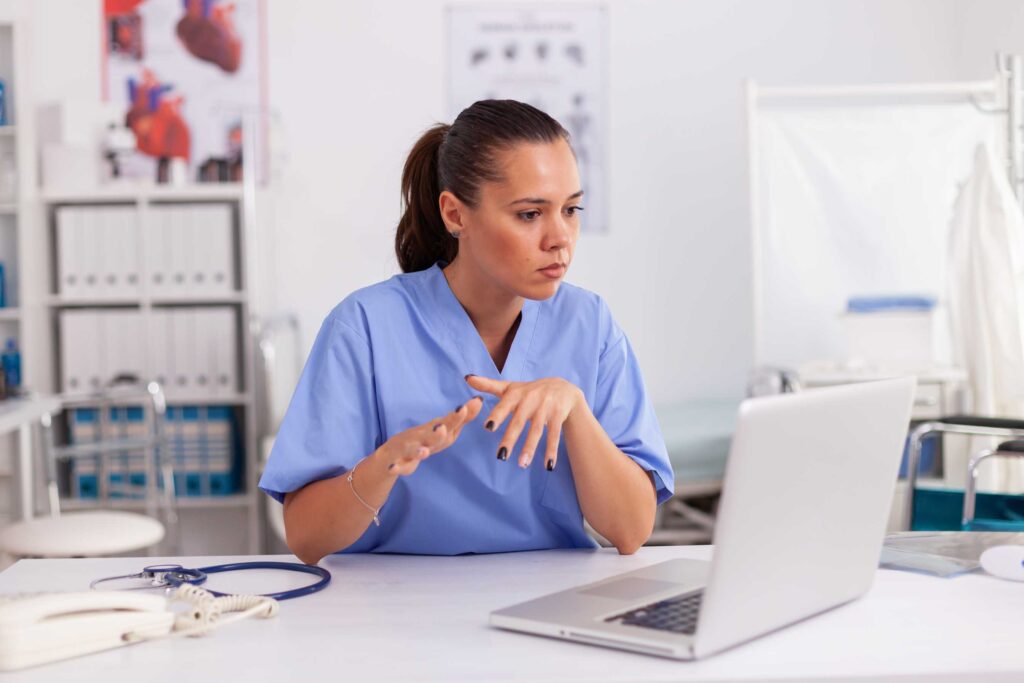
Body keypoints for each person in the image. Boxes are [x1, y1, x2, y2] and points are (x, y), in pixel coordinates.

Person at [259, 99, 673, 564]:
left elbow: (631, 531)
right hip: (390, 607)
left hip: (549, 606)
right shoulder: (364, 327)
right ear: (455, 215)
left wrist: (575, 411)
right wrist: (384, 465)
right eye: (530, 214)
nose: (560, 237)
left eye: (571, 209)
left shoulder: (590, 325)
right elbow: (305, 537)